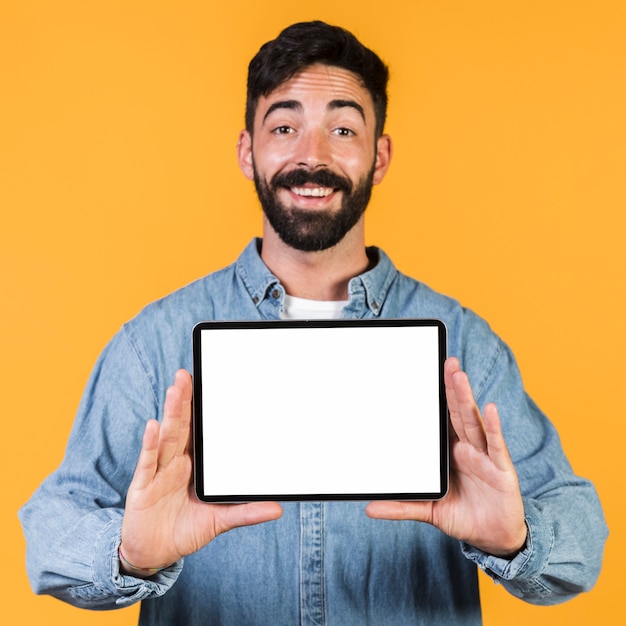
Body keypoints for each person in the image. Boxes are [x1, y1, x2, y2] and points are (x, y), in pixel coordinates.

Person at [20, 21, 607, 625]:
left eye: (343, 129)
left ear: (378, 157)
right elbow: (51, 533)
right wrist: (127, 554)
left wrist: (517, 539)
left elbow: (581, 542)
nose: (312, 156)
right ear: (249, 150)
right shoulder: (155, 344)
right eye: (284, 127)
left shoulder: (463, 346)